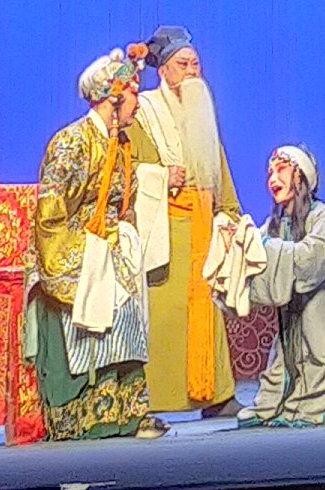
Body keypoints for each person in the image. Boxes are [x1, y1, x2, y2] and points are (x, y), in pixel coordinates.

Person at [15, 46, 168, 443]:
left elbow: (125, 205)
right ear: (112, 99)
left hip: (109, 250)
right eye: (133, 94)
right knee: (90, 315)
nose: (139, 103)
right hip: (72, 254)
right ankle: (81, 418)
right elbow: (50, 216)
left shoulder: (122, 145)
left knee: (126, 313)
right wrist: (84, 257)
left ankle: (127, 413)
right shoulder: (71, 143)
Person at [222, 146, 325, 429]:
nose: (272, 178)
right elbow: (256, 255)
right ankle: (278, 402)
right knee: (282, 363)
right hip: (293, 326)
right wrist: (237, 243)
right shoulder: (276, 224)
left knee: (319, 373)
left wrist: (264, 247)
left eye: (281, 170)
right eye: (270, 172)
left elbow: (311, 260)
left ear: (301, 177)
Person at [133, 25, 242, 417]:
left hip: (202, 225)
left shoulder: (201, 111)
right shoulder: (143, 112)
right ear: (164, 70)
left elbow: (217, 166)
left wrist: (228, 213)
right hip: (165, 224)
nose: (193, 72)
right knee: (164, 314)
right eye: (183, 64)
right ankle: (157, 399)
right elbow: (129, 166)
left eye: (196, 64)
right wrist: (162, 176)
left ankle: (217, 395)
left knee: (207, 309)